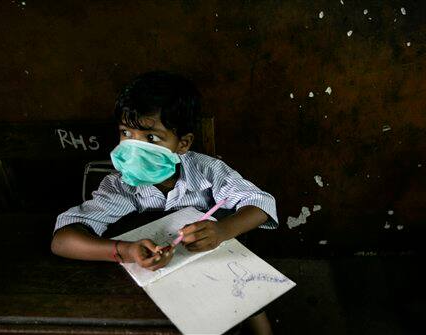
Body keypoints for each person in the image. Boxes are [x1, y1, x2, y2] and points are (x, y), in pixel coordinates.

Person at [51, 71, 278, 335]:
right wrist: (125, 251)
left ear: (183, 143)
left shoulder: (209, 171)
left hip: (213, 267)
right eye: (126, 133)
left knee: (249, 298)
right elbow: (62, 240)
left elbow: (261, 204)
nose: (134, 148)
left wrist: (222, 231)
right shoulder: (121, 185)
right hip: (159, 277)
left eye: (152, 138)